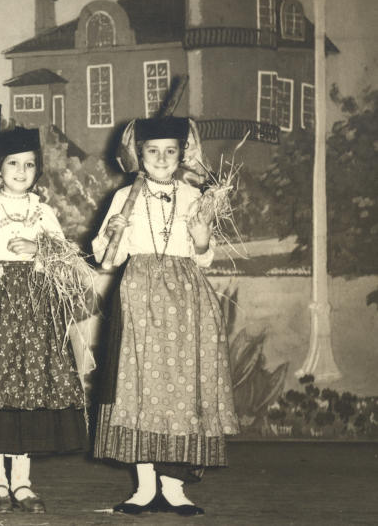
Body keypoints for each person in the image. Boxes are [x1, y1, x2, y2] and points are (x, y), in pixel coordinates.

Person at [92, 116, 238, 516]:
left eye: (170, 151)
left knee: (181, 390)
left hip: (187, 300)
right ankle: (143, 488)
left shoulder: (194, 196)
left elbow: (203, 258)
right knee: (138, 387)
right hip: (139, 299)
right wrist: (112, 231)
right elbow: (108, 259)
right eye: (152, 151)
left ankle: (174, 488)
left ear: (181, 155)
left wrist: (202, 237)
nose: (161, 158)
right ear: (138, 155)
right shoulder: (125, 197)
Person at [0, 127, 89, 514]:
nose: (22, 172)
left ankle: (22, 482)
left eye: (29, 164)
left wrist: (38, 249)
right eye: (13, 164)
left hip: (34, 313)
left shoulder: (43, 212)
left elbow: (64, 260)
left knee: (29, 391)